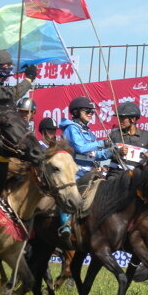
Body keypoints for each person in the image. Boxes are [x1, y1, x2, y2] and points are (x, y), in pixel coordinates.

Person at [58, 96, 113, 240]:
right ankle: (65, 224)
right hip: (74, 173)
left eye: (92, 112)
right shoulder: (71, 128)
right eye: (87, 111)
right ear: (76, 112)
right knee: (69, 195)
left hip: (90, 172)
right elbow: (80, 148)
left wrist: (112, 151)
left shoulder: (89, 133)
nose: (90, 114)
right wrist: (102, 143)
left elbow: (96, 155)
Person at [107, 102, 148, 179]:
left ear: (133, 119)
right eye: (119, 118)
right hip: (116, 175)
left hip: (137, 177)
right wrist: (118, 152)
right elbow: (105, 151)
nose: (119, 121)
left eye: (122, 118)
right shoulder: (114, 135)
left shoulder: (146, 136)